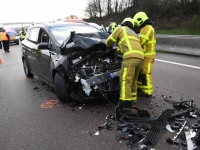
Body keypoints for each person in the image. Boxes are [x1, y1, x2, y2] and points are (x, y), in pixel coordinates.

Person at [106, 17, 144, 120]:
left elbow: (110, 41)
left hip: (130, 58)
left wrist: (108, 46)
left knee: (125, 81)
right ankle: (133, 102)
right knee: (133, 81)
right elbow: (127, 46)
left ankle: (125, 107)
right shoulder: (133, 33)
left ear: (123, 23)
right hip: (140, 58)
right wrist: (118, 50)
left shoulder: (120, 29)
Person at [133, 12, 156, 97]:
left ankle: (147, 92)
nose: (137, 25)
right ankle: (141, 88)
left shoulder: (147, 28)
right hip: (144, 55)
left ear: (140, 20)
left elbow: (142, 40)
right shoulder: (145, 28)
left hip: (148, 56)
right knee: (140, 73)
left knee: (145, 73)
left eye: (137, 23)